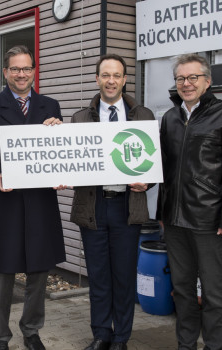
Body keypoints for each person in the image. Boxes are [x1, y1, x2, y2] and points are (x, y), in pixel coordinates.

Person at [0, 45, 66, 350]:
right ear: (5, 72)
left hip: (40, 201)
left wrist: (60, 138)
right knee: (3, 269)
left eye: (26, 69)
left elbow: (60, 152)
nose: (21, 74)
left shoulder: (51, 106)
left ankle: (32, 330)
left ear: (34, 71)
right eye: (15, 69)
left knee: (39, 268)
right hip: (6, 200)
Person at [158, 53, 222, 350]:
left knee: (212, 292)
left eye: (193, 77)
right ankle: (186, 345)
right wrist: (162, 212)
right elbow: (163, 168)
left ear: (207, 81)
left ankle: (214, 346)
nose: (186, 84)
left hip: (209, 221)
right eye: (181, 78)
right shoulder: (170, 117)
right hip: (174, 221)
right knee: (182, 290)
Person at [70, 54, 155, 350]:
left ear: (124, 80)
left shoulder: (143, 116)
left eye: (116, 75)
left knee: (123, 275)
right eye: (105, 75)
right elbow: (71, 160)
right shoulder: (80, 118)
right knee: (98, 274)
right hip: (93, 206)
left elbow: (155, 163)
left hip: (126, 205)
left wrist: (149, 182)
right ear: (97, 79)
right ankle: (101, 334)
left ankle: (121, 338)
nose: (111, 80)